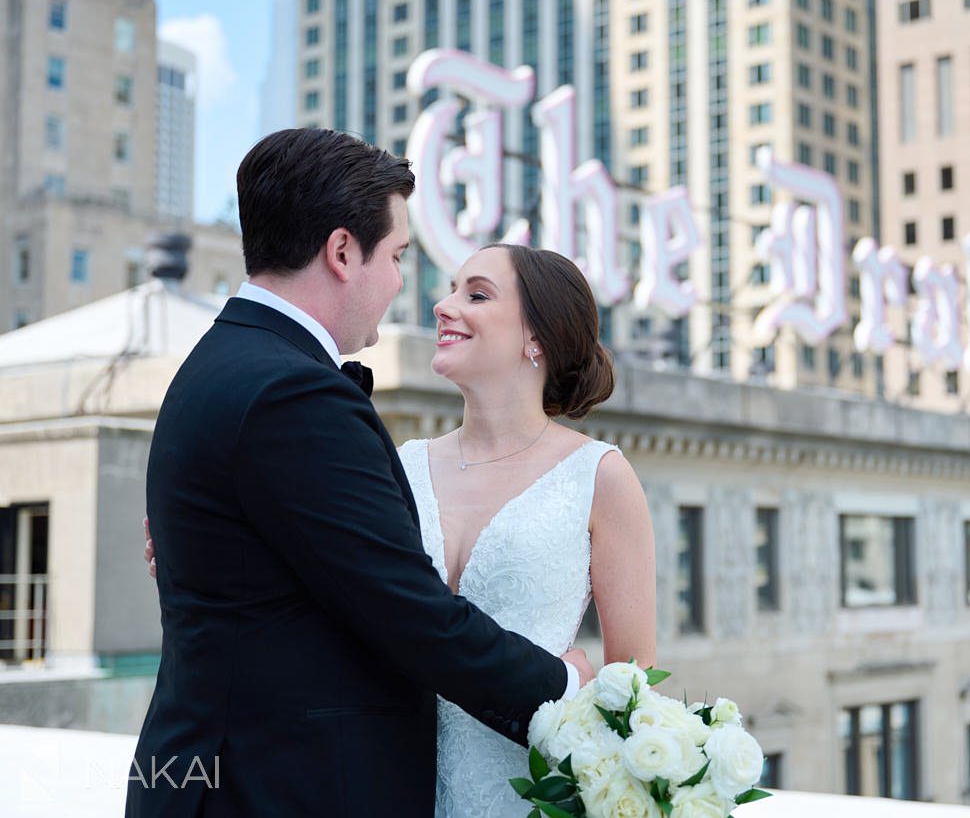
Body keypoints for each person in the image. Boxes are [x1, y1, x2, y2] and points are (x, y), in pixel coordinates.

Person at [127, 128, 593, 818]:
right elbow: (406, 609)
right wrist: (562, 681)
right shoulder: (292, 392)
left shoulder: (217, 364)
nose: (406, 283)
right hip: (274, 788)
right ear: (343, 252)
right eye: (398, 255)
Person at [400, 243, 656, 815]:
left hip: (528, 796)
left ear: (534, 337)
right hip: (391, 785)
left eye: (477, 294)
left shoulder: (599, 476)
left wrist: (581, 687)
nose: (444, 307)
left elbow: (634, 685)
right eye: (449, 289)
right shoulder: (399, 465)